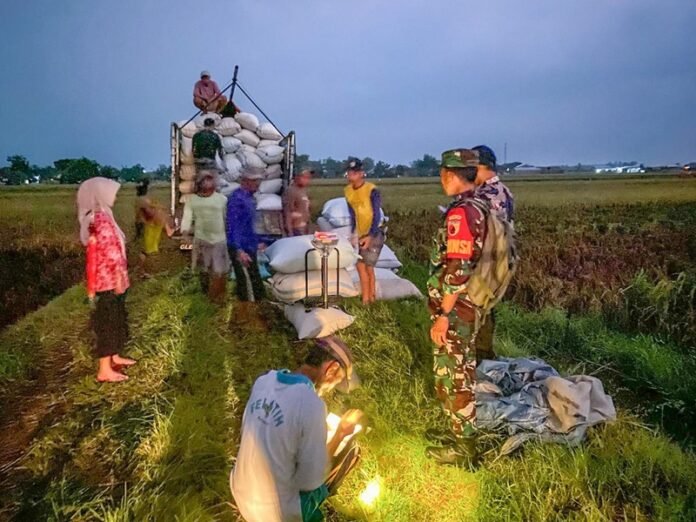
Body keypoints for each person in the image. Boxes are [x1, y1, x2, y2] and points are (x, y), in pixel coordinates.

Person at [231, 336, 362, 522]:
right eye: (336, 381)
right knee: (343, 457)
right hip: (273, 515)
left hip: (239, 491)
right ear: (331, 369)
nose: (332, 388)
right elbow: (311, 481)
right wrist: (340, 433)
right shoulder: (312, 404)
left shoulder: (264, 380)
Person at [424, 149, 488, 467]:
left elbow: (457, 270)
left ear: (450, 174)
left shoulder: (461, 213)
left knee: (456, 375)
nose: (441, 180)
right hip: (465, 306)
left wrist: (443, 316)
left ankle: (465, 450)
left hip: (456, 309)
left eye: (441, 174)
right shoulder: (477, 205)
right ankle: (456, 431)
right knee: (450, 371)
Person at [77, 177, 136, 383]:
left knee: (117, 317)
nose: (115, 197)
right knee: (107, 321)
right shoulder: (98, 219)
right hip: (108, 280)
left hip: (113, 278)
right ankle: (104, 368)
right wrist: (120, 277)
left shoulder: (103, 215)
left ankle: (114, 356)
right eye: (111, 193)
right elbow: (110, 252)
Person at [471, 145, 515, 363]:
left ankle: (481, 357)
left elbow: (486, 233)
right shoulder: (500, 190)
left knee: (480, 308)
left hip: (487, 262)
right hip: (494, 260)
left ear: (482, 167)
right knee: (484, 308)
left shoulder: (490, 195)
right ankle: (482, 355)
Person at [181, 170, 230, 304]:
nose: (207, 182)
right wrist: (185, 233)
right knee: (204, 269)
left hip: (219, 240)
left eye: (209, 179)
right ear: (199, 183)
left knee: (219, 270)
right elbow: (187, 218)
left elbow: (227, 218)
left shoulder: (221, 199)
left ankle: (219, 297)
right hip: (202, 239)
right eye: (204, 180)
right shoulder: (192, 200)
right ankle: (205, 295)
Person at [343, 158, 385, 305]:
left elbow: (376, 214)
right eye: (349, 173)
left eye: (354, 173)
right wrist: (354, 233)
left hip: (375, 232)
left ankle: (366, 301)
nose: (351, 176)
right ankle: (372, 298)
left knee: (361, 266)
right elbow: (352, 214)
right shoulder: (348, 192)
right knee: (367, 267)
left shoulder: (371, 190)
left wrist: (370, 235)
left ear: (361, 174)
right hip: (361, 233)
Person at [227, 166, 267, 302]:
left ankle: (260, 309)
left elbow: (249, 225)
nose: (258, 185)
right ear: (246, 181)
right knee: (246, 283)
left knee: (255, 280)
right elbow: (233, 227)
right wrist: (239, 251)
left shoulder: (250, 199)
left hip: (249, 246)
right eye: (256, 181)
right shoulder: (237, 199)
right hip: (241, 248)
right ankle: (248, 314)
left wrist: (258, 241)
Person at [135, 179, 174, 256]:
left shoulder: (140, 199)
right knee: (152, 237)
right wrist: (160, 207)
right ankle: (151, 251)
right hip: (151, 220)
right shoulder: (144, 199)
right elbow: (149, 206)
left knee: (152, 237)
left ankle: (152, 251)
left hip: (150, 221)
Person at [283, 167, 314, 236]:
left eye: (309, 178)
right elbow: (288, 212)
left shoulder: (304, 190)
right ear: (296, 177)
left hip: (304, 227)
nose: (307, 180)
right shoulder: (291, 191)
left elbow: (307, 209)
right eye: (304, 177)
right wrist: (290, 232)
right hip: (296, 229)